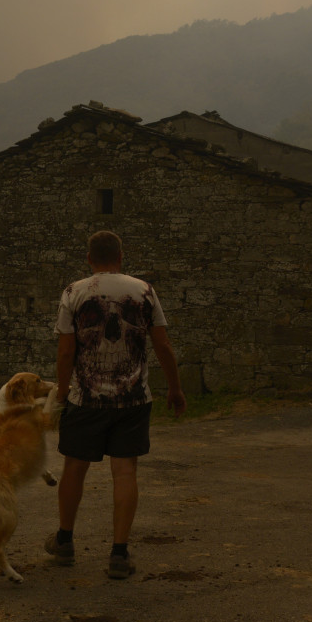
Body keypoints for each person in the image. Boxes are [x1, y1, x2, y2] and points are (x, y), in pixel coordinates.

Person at [45, 230, 186, 579]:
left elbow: (65, 351)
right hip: (133, 399)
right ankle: (119, 553)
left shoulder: (73, 293)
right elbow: (163, 346)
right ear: (121, 256)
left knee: (74, 468)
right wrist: (175, 388)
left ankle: (64, 541)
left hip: (86, 398)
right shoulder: (144, 291)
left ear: (89, 259)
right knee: (125, 472)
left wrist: (63, 391)